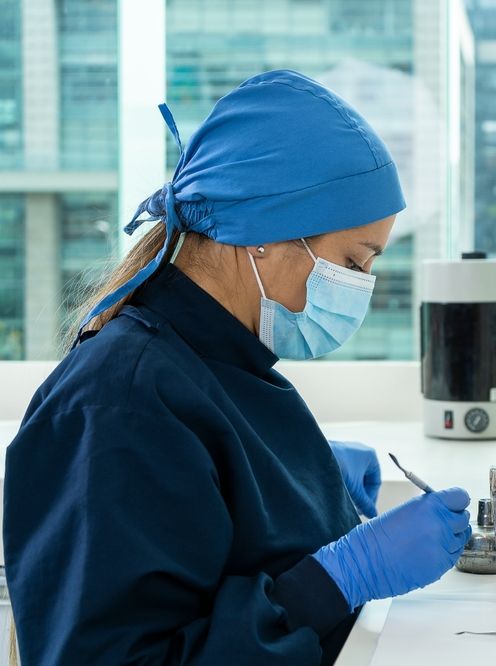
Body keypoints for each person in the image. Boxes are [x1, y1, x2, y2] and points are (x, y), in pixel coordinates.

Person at [2, 70, 471, 665]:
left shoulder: (220, 359)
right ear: (263, 237)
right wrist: (344, 575)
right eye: (353, 262)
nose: (361, 286)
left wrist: (297, 485)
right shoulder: (118, 402)